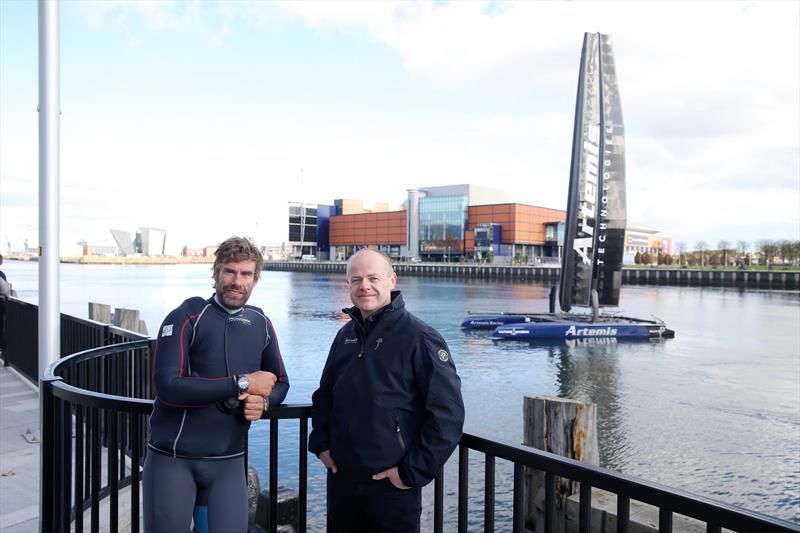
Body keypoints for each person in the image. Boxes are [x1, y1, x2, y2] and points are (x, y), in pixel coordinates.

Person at [309, 249, 465, 532]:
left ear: (392, 280)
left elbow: (447, 415)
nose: (364, 286)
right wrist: (320, 443)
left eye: (373, 278)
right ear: (348, 285)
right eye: (356, 279)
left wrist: (410, 473)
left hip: (392, 489)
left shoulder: (420, 338)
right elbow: (325, 395)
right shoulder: (346, 335)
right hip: (342, 481)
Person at [144, 237, 289, 532]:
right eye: (229, 272)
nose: (237, 282)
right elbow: (168, 387)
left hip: (228, 462)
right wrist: (243, 383)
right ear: (216, 273)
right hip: (173, 460)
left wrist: (264, 402)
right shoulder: (187, 316)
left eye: (246, 274)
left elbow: (280, 382)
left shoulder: (260, 322)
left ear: (255, 279)